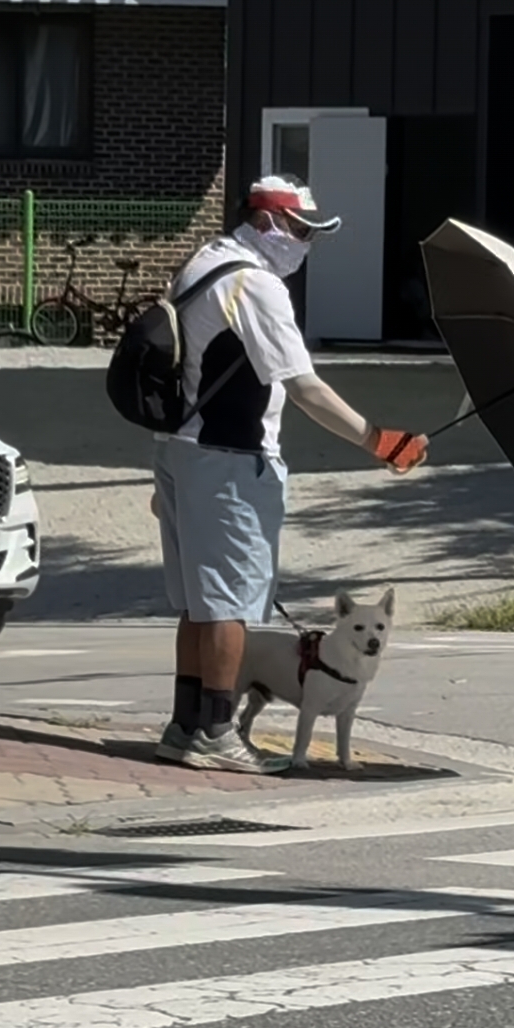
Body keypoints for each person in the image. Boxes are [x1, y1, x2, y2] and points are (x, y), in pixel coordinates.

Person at [152, 173, 429, 774]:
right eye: (302, 230)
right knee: (229, 607)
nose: (307, 243)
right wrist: (378, 440)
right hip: (231, 460)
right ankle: (218, 734)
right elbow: (304, 387)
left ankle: (184, 726)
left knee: (199, 606)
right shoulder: (256, 285)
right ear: (269, 223)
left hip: (181, 450)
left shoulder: (203, 264)